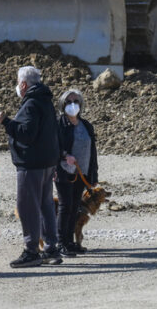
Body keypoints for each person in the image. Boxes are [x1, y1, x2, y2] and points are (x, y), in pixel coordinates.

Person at [0, 66, 63, 268]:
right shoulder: (46, 101)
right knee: (46, 205)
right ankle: (51, 248)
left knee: (28, 207)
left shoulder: (31, 103)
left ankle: (31, 250)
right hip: (47, 162)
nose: (17, 86)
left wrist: (6, 122)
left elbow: (26, 133)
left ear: (23, 84)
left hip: (31, 164)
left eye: (18, 82)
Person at [55, 89, 98, 256]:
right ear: (62, 104)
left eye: (76, 101)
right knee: (65, 206)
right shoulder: (58, 124)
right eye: (68, 101)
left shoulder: (86, 125)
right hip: (64, 171)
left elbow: (92, 152)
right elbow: (53, 146)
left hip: (82, 173)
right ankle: (61, 243)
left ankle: (69, 242)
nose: (72, 105)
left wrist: (93, 175)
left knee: (74, 206)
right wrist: (64, 155)